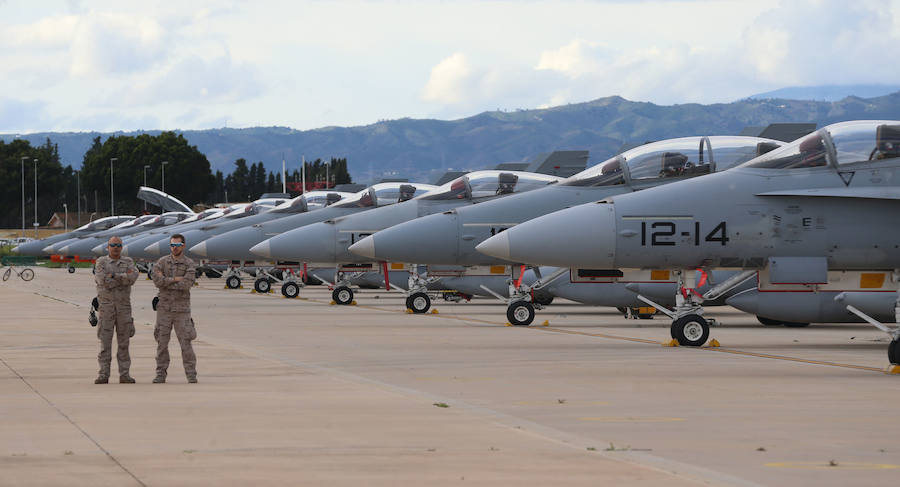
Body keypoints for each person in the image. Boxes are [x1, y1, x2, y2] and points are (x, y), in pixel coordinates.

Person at [151, 234, 198, 383]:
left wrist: (167, 281)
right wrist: (176, 279)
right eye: (172, 245)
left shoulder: (189, 264)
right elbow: (157, 281)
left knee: (186, 343)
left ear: (183, 246)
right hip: (164, 309)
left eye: (177, 245)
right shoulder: (162, 262)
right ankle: (160, 374)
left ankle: (191, 374)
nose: (174, 248)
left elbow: (187, 283)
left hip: (182, 310)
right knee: (161, 344)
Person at [93, 236, 138, 384]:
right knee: (105, 344)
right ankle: (103, 374)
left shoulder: (128, 261)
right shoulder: (101, 262)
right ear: (108, 247)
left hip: (124, 309)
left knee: (124, 343)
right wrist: (122, 279)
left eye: (118, 245)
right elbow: (102, 280)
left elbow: (133, 277)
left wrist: (114, 276)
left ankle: (124, 374)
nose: (116, 247)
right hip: (106, 309)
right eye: (112, 245)